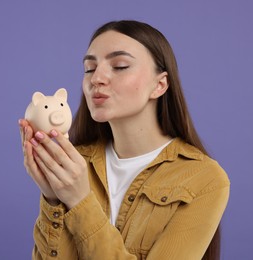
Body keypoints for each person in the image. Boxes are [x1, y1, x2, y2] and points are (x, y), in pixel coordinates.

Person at [19, 20, 230, 260]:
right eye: (89, 68)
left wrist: (79, 201)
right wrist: (53, 198)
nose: (96, 78)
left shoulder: (204, 179)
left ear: (159, 85)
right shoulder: (74, 165)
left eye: (119, 66)